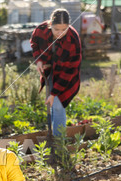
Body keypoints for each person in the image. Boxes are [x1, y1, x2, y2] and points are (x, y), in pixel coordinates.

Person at [30, 8, 82, 136]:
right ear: (50, 25)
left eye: (64, 29)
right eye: (56, 29)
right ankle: (53, 135)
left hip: (66, 73)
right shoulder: (41, 30)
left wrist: (54, 93)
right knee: (52, 103)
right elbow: (34, 43)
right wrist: (39, 60)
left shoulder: (73, 39)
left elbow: (70, 71)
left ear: (68, 26)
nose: (60, 33)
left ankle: (59, 142)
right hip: (50, 69)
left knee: (57, 104)